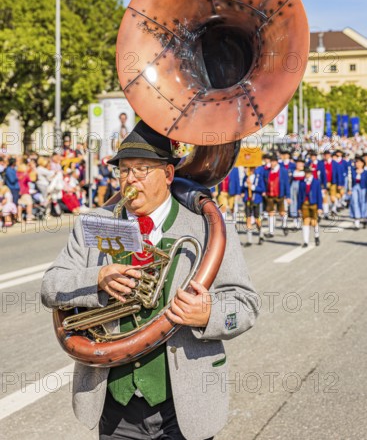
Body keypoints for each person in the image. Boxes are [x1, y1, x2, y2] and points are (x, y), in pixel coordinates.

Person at [41, 120, 258, 440]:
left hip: (185, 404)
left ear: (168, 174)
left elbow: (246, 306)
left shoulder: (206, 227)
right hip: (115, 404)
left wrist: (209, 313)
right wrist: (97, 277)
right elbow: (50, 288)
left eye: (142, 169)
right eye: (124, 170)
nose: (130, 179)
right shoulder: (96, 223)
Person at [264, 154, 290, 238]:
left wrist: (288, 196)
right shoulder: (267, 171)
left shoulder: (283, 171)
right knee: (270, 213)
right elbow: (265, 182)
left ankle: (284, 225)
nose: (271, 163)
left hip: (280, 195)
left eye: (273, 161)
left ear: (276, 162)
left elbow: (286, 184)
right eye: (271, 161)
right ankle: (271, 232)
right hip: (270, 195)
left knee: (282, 212)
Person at [297, 167, 323, 248]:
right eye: (306, 173)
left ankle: (316, 236)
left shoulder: (316, 182)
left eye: (308, 173)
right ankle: (305, 241)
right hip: (304, 204)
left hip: (314, 203)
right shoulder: (301, 182)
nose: (307, 174)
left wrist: (320, 207)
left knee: (314, 222)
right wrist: (299, 207)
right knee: (305, 221)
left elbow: (319, 195)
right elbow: (299, 195)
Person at [241, 166, 265, 246]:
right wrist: (245, 186)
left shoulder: (258, 177)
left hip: (256, 200)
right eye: (247, 168)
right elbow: (242, 188)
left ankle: (261, 234)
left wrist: (253, 187)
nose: (249, 170)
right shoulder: (245, 177)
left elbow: (262, 188)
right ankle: (249, 240)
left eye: (251, 168)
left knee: (257, 218)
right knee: (248, 219)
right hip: (248, 200)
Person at [349, 155, 367, 230]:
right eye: (357, 162)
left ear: (363, 163)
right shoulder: (352, 172)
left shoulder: (365, 172)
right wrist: (349, 189)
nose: (358, 164)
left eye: (360, 162)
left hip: (364, 188)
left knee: (363, 203)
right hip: (355, 188)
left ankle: (365, 217)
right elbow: (350, 181)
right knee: (355, 203)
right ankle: (357, 221)